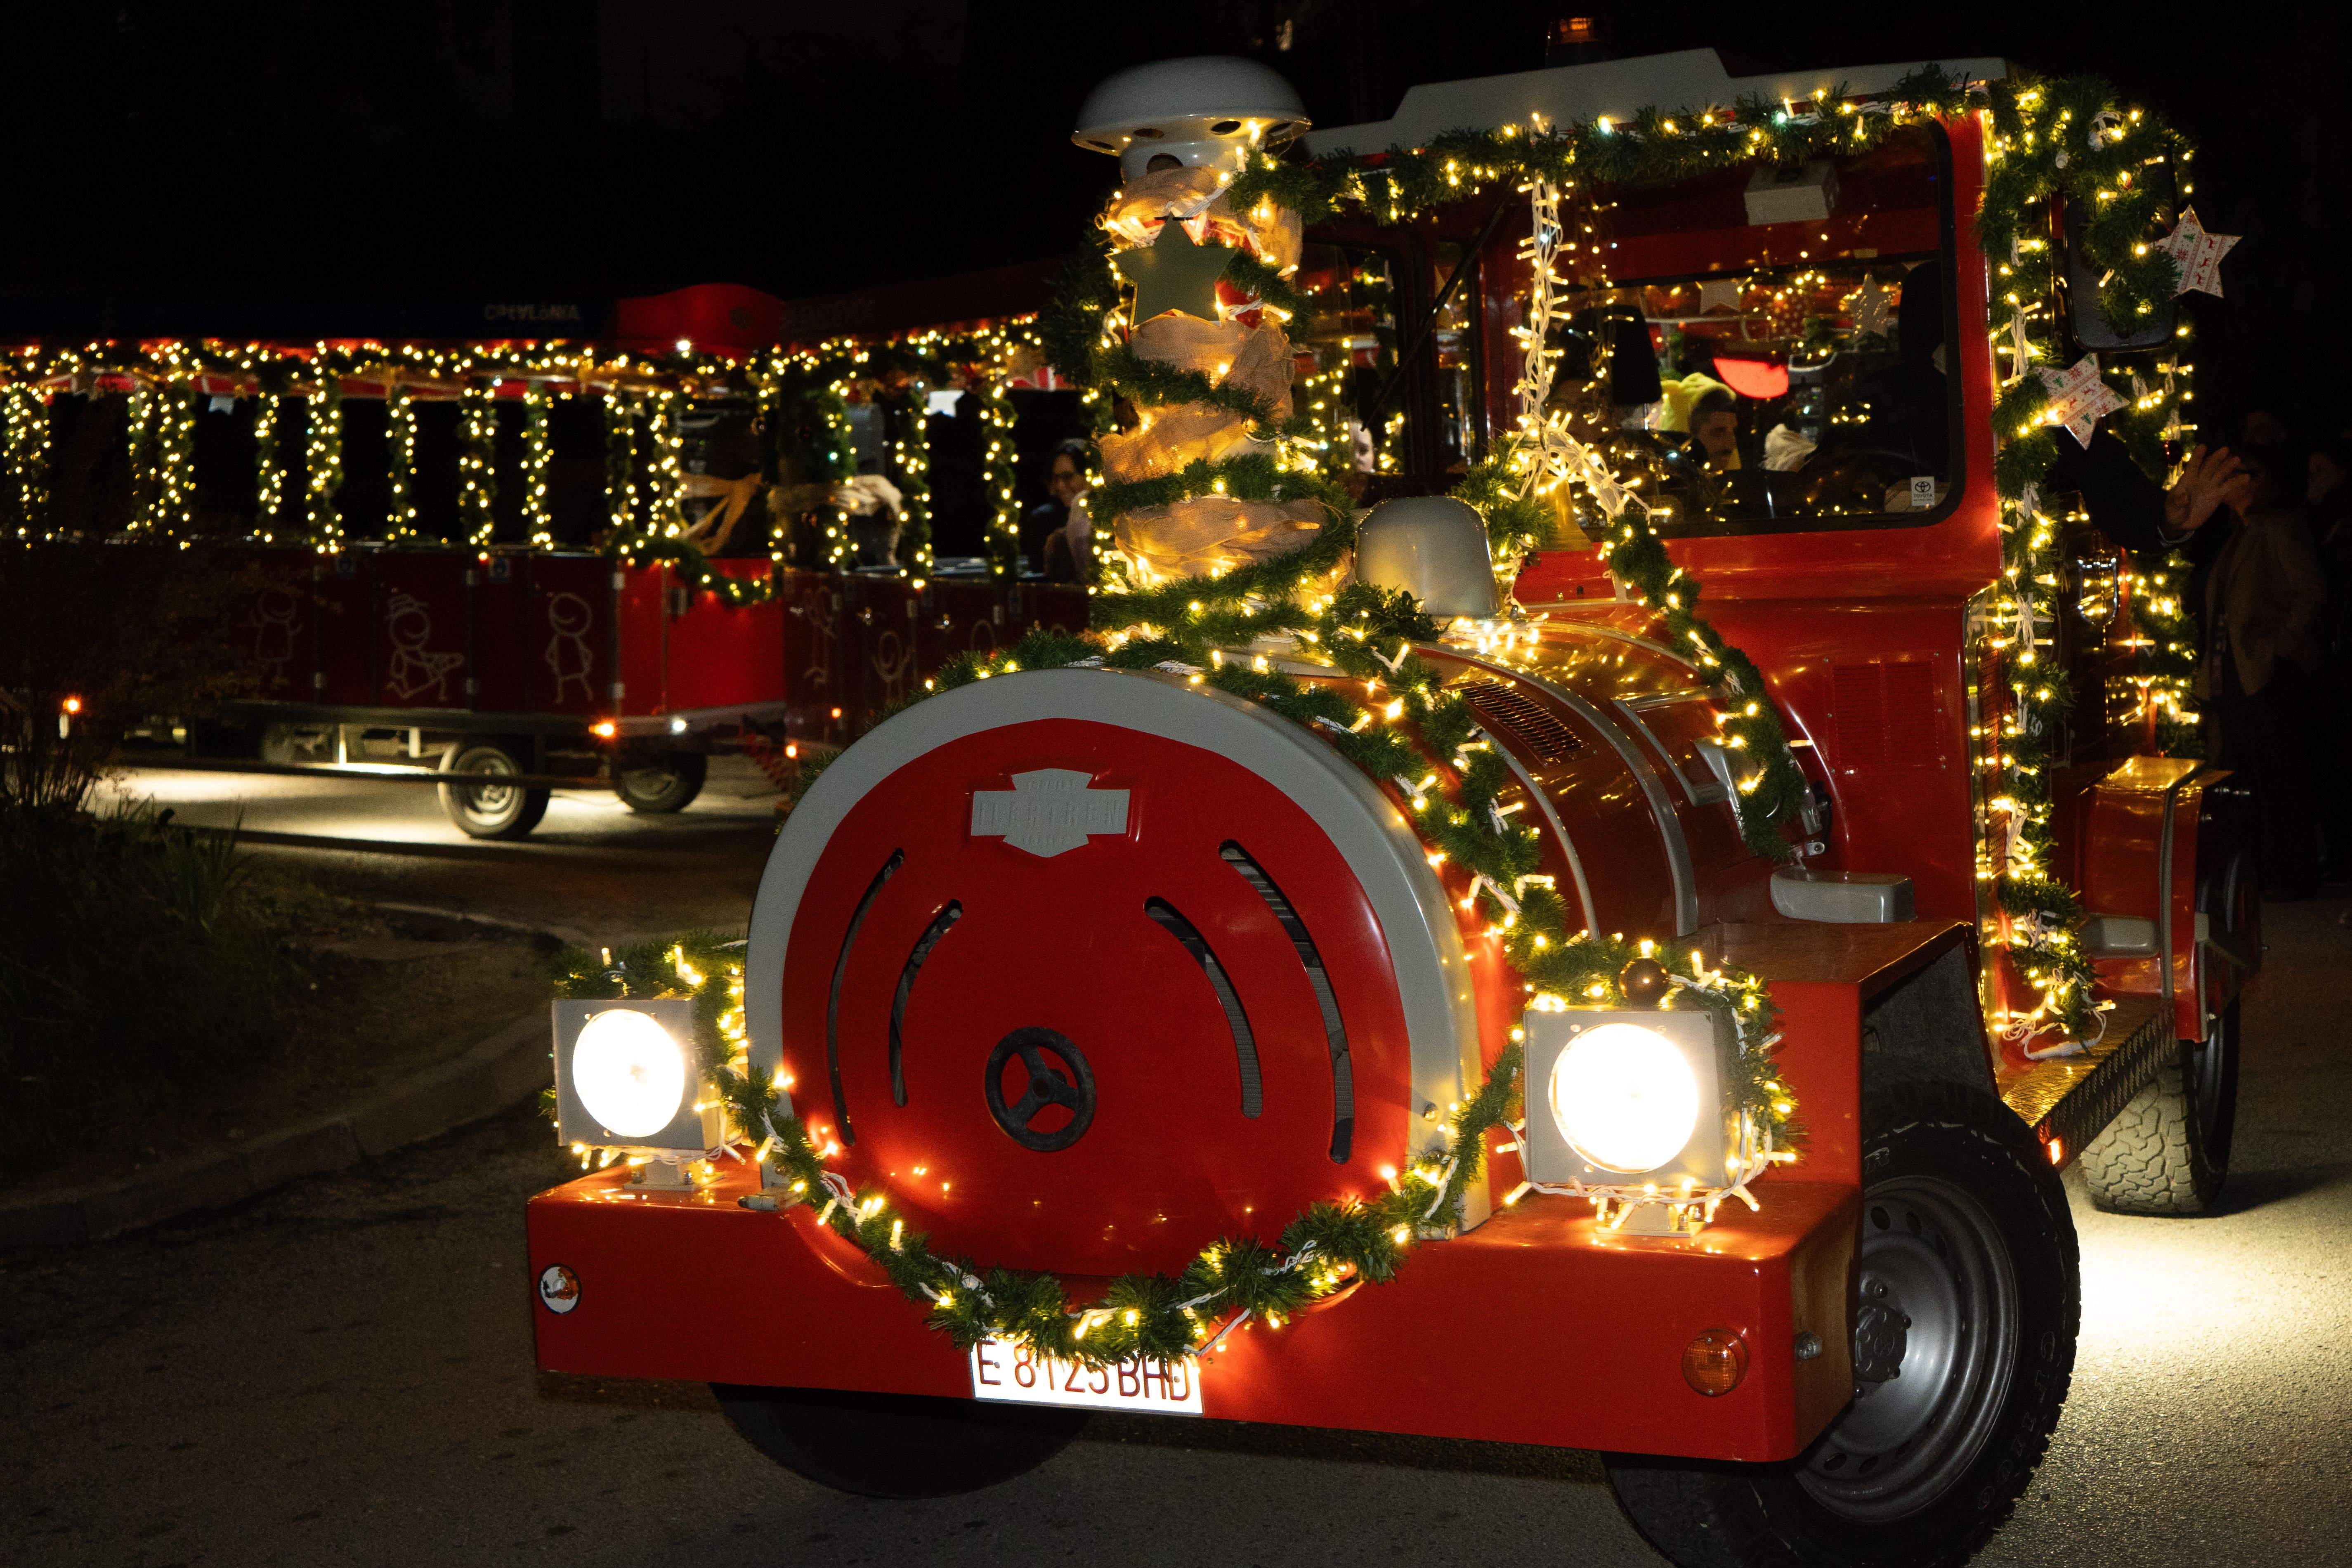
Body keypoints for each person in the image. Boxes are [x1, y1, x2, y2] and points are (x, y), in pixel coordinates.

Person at [2201, 446, 2329, 898]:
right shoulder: (2241, 532)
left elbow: (2310, 590)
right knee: (2250, 775)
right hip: (2240, 672)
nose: (2228, 481)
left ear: (2259, 481)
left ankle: (2288, 875)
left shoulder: (2275, 527)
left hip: (2266, 673)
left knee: (2278, 776)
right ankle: (2259, 874)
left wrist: (2277, 644)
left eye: (2240, 473)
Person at [1025, 439, 1093, 577]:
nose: (1060, 486)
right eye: (1056, 479)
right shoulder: (1042, 520)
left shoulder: (1107, 514)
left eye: (1068, 477)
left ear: (1089, 475)